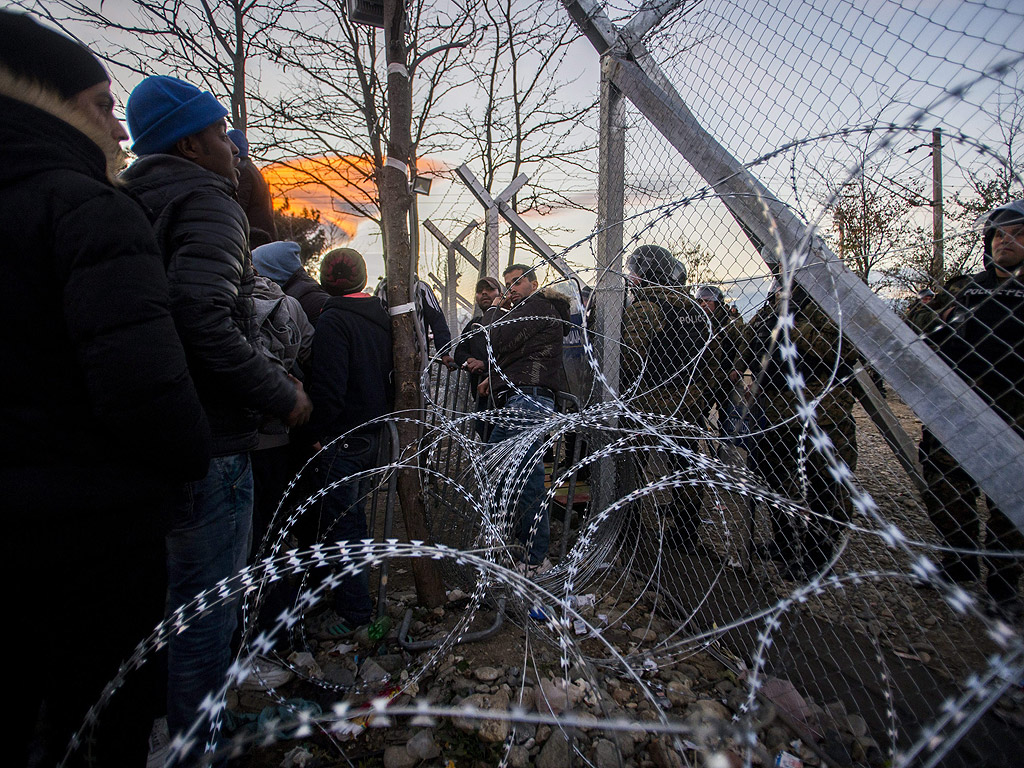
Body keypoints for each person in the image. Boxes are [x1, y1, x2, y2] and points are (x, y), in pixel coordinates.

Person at [0, 12, 211, 765]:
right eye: (99, 106)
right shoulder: (84, 204)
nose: (119, 133)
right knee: (101, 714)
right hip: (91, 527)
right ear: (41, 102)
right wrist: (195, 455)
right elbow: (143, 383)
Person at [122, 74, 313, 745]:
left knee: (172, 600)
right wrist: (279, 392)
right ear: (191, 143)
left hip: (153, 431)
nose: (235, 148)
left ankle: (165, 728)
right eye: (221, 132)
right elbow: (200, 316)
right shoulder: (206, 200)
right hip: (215, 435)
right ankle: (202, 743)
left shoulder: (130, 201)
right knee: (209, 607)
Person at [919, 200, 1024, 620]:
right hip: (959, 406)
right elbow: (921, 323)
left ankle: (1003, 583)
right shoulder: (967, 289)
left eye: (1017, 234)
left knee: (1009, 498)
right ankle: (958, 558)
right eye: (1000, 235)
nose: (1007, 242)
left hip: (1015, 411)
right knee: (944, 485)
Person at [738, 279, 858, 579]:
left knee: (824, 484)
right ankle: (786, 542)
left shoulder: (824, 302)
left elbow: (843, 345)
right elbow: (749, 342)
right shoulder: (771, 305)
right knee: (775, 477)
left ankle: (820, 556)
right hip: (777, 409)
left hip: (820, 409)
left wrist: (789, 326)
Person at [304, 248, 394, 636]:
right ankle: (353, 599)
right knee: (354, 520)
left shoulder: (334, 320)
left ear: (325, 280)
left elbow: (328, 389)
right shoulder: (384, 319)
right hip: (376, 434)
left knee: (342, 525)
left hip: (343, 437)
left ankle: (353, 611)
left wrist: (313, 433)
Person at [621, 246, 724, 551]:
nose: (633, 279)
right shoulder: (694, 309)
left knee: (630, 466)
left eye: (637, 273)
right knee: (685, 466)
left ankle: (627, 528)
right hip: (687, 403)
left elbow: (628, 357)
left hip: (647, 403)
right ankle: (686, 533)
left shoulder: (648, 307)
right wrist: (696, 393)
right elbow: (713, 360)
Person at [479, 264, 570, 573]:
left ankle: (527, 554)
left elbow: (494, 339)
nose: (511, 288)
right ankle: (526, 551)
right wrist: (495, 378)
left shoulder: (537, 307)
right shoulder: (531, 311)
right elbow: (514, 353)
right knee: (524, 474)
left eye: (517, 282)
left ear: (534, 283)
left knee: (497, 465)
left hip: (529, 398)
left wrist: (493, 308)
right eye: (507, 284)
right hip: (525, 395)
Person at [455, 276, 503, 436]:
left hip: (505, 395)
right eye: (480, 291)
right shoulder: (474, 325)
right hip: (482, 396)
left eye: (489, 290)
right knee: (484, 432)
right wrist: (468, 360)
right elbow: (459, 352)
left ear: (500, 294)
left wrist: (485, 364)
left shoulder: (507, 322)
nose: (484, 293)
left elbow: (511, 355)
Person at [376, 277, 457, 368]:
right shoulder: (382, 289)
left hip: (418, 356)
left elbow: (437, 319)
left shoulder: (420, 288)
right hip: (389, 358)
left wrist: (444, 352)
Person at [253, 239, 331, 325]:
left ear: (273, 269)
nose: (255, 276)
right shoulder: (300, 291)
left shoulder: (312, 299)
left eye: (257, 269)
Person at [227, 128, 278, 238]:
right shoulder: (251, 169)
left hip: (254, 238)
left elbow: (238, 208)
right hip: (262, 236)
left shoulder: (242, 171)